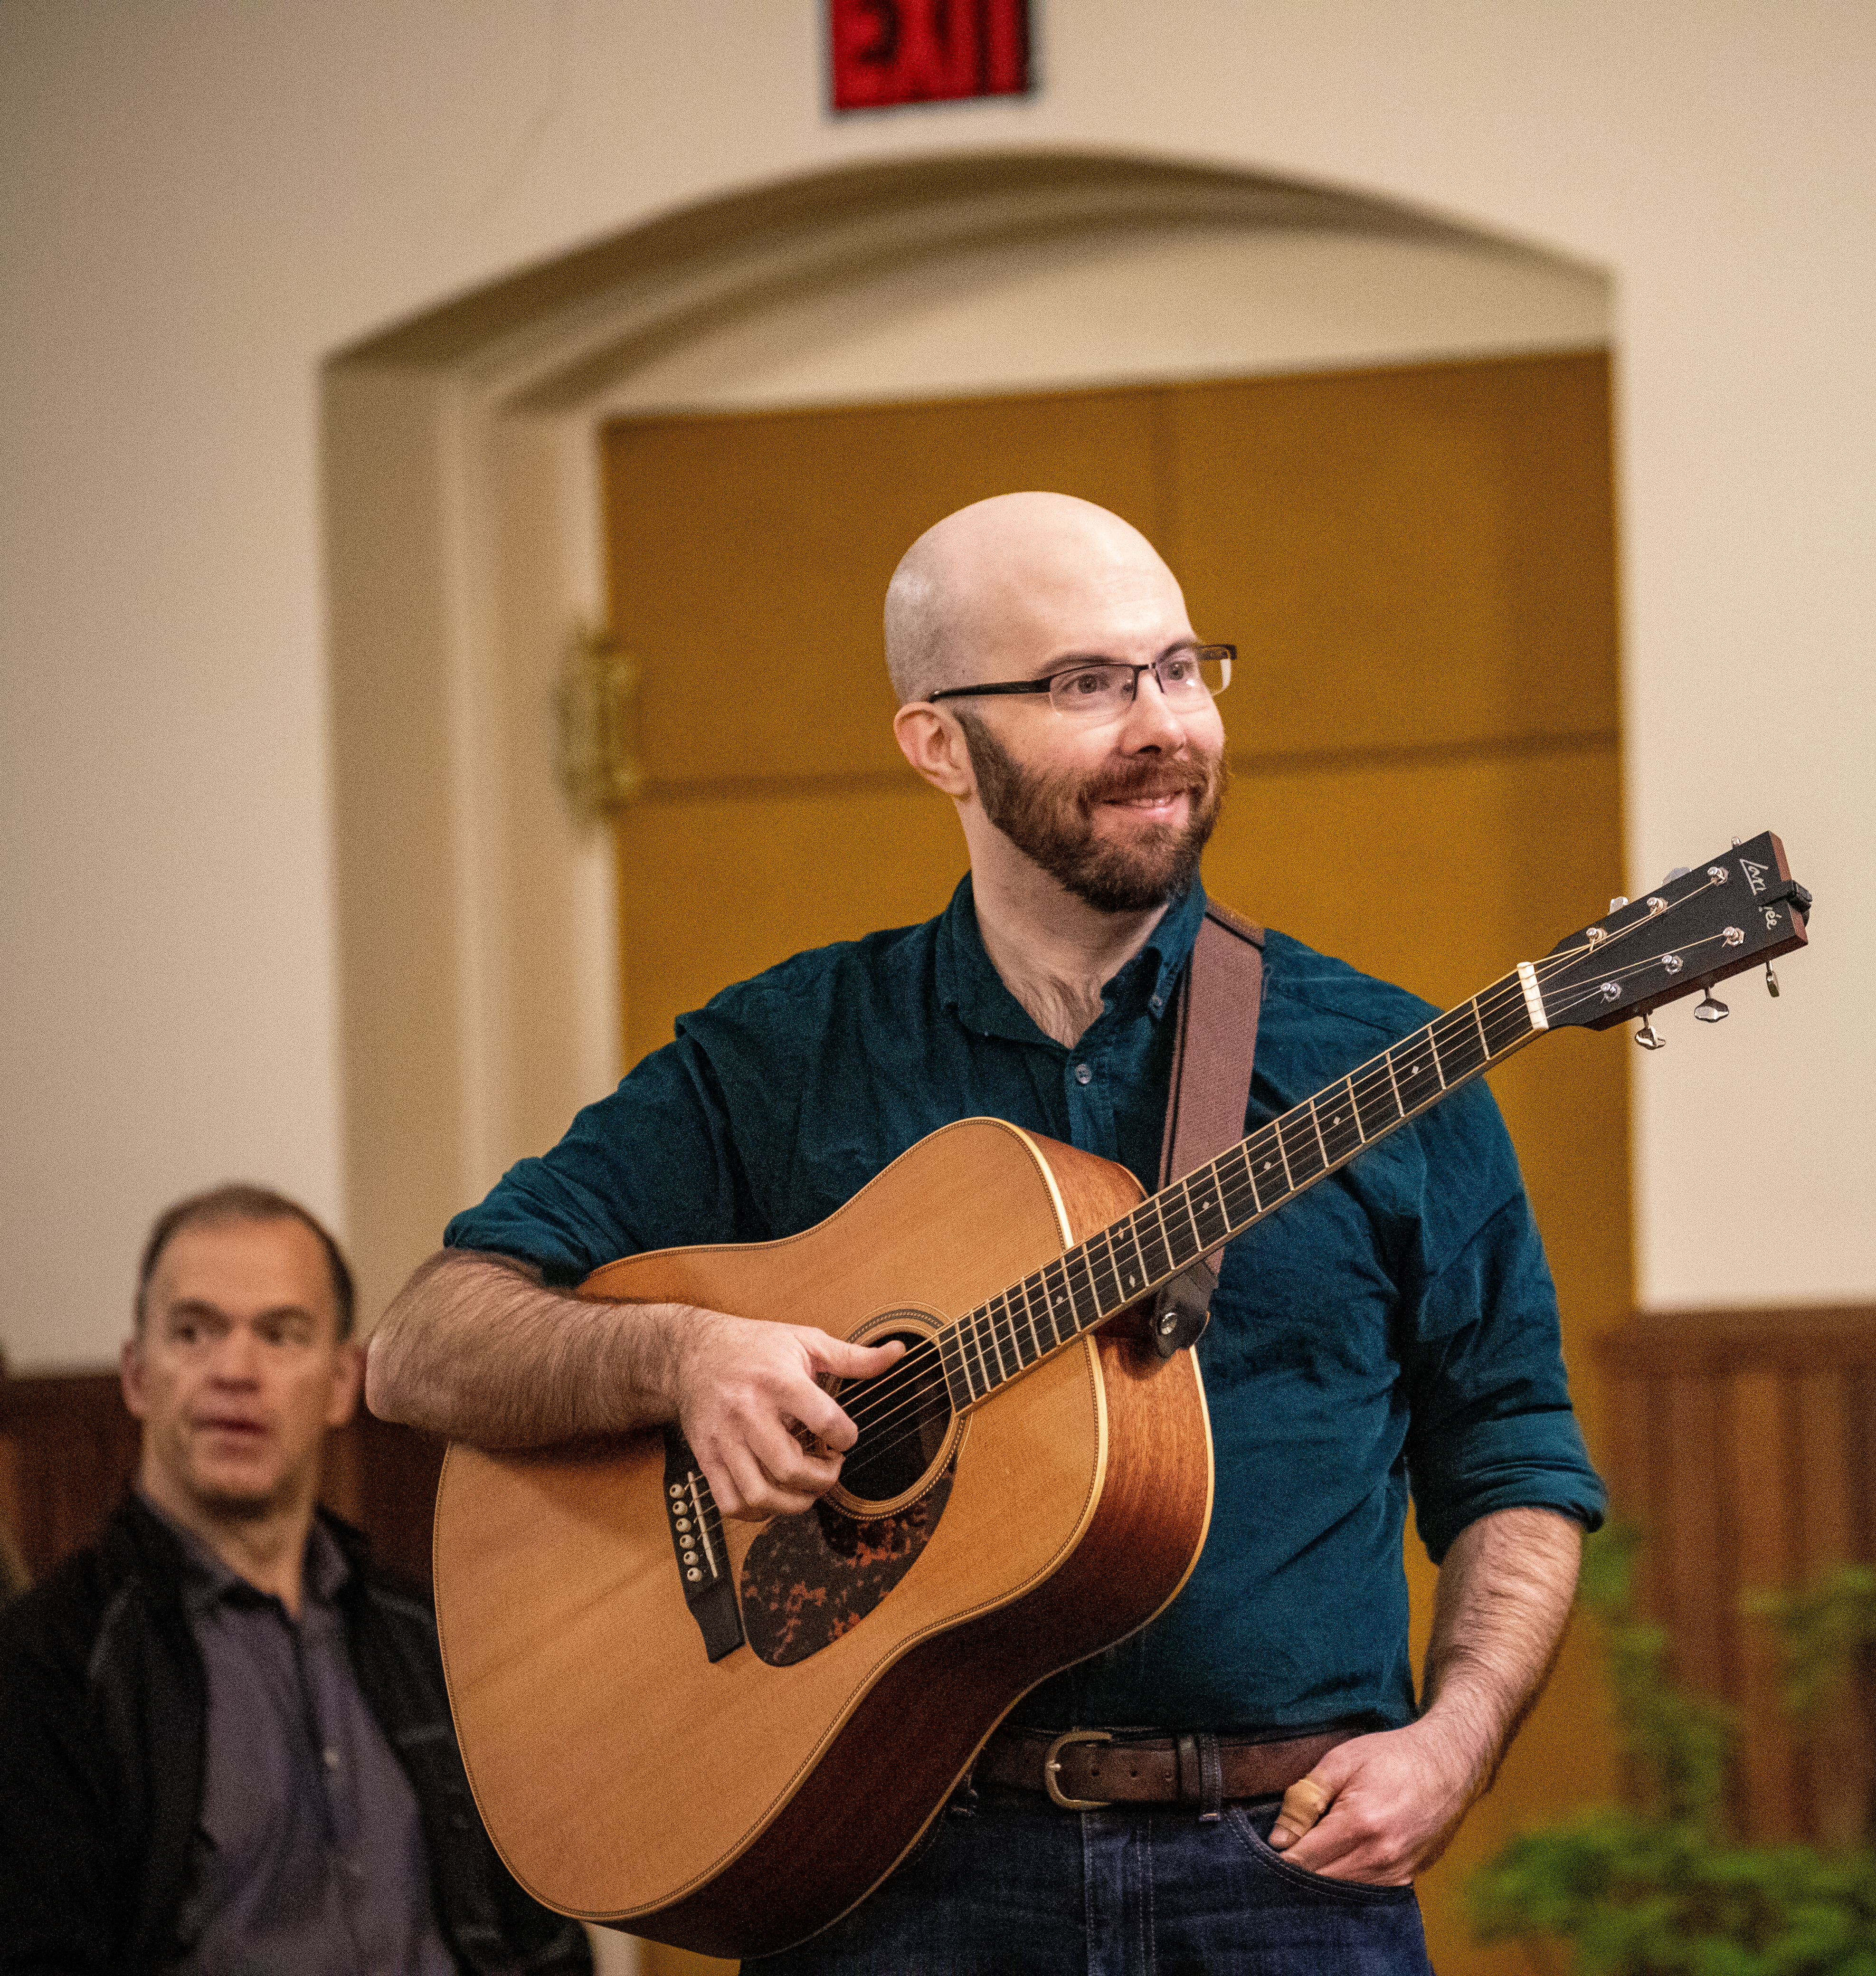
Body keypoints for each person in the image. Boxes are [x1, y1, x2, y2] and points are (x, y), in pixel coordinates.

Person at [366, 492, 1607, 1972]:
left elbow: (1514, 1450)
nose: (1164, 725)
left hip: (1285, 1874)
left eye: (1182, 668)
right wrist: (680, 1359)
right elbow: (423, 1346)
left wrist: (1458, 1739)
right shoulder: (787, 1054)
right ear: (937, 743)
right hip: (886, 1866)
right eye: (1087, 683)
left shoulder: (1388, 1061)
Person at [0, 1184, 591, 1976]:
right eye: (194, 1331)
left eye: (281, 1334)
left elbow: (547, 1942)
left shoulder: (435, 1640)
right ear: (136, 1376)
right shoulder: (50, 1663)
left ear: (344, 1382)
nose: (235, 1371)